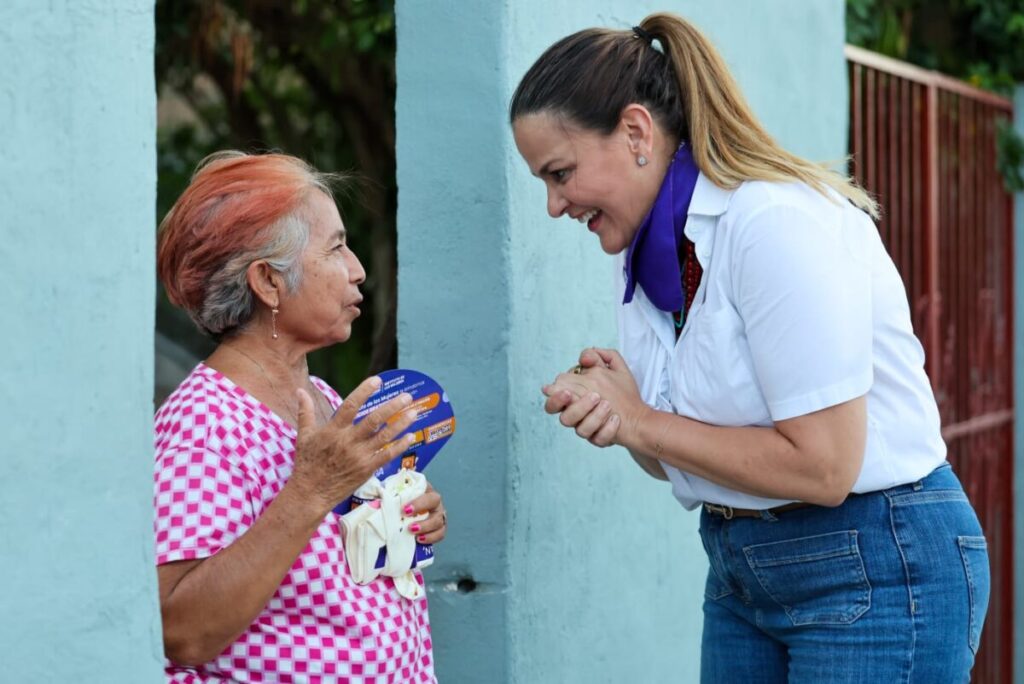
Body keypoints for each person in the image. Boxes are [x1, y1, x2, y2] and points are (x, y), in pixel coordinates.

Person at [510, 12, 989, 683]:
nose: (554, 206)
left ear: (637, 132)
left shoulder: (773, 225)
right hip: (742, 568)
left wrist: (647, 420)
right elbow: (687, 459)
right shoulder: (650, 256)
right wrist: (624, 420)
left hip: (878, 566)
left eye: (559, 174)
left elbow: (825, 468)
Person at [154, 151, 443, 682]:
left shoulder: (323, 396)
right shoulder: (204, 424)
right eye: (335, 247)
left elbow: (333, 561)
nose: (357, 270)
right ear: (268, 283)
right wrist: (309, 490)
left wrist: (405, 522)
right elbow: (181, 630)